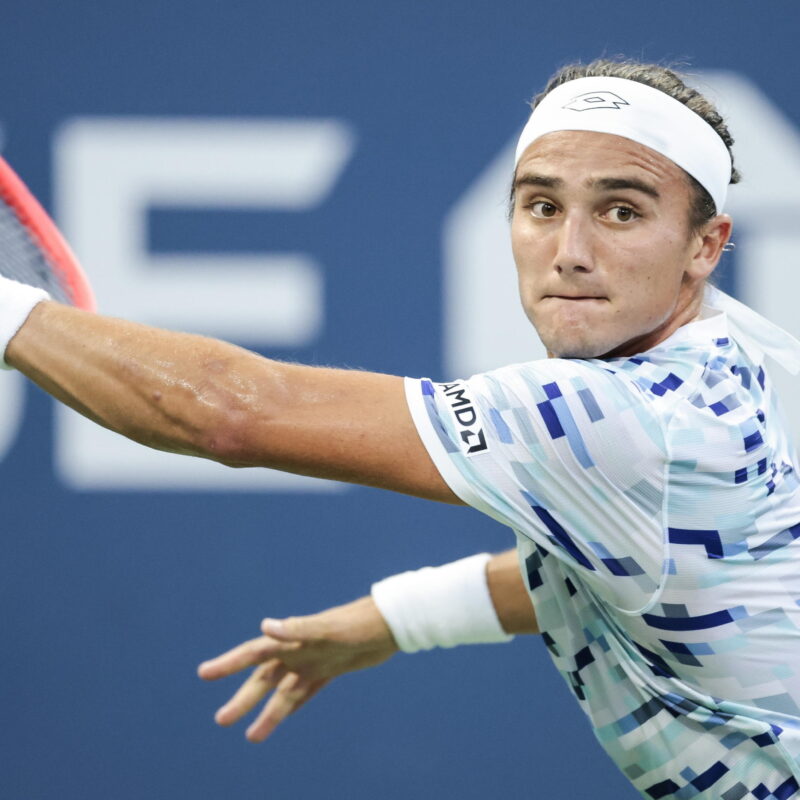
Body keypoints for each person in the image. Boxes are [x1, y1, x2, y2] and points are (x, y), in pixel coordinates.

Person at [3, 57, 800, 798]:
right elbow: (642, 565)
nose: (570, 251)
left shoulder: (624, 422)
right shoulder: (748, 361)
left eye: (621, 211)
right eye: (542, 206)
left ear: (706, 244)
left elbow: (233, 412)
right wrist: (396, 620)